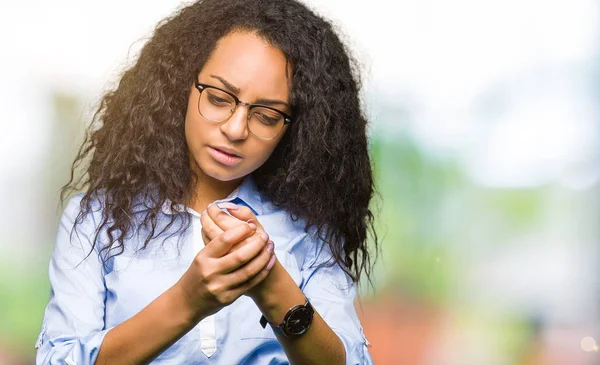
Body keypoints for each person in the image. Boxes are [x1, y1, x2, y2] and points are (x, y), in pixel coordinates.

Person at [35, 0, 378, 364]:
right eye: (218, 98)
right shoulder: (97, 221)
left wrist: (273, 285)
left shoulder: (310, 232)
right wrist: (186, 301)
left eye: (267, 115)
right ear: (181, 86)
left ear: (293, 128)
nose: (235, 129)